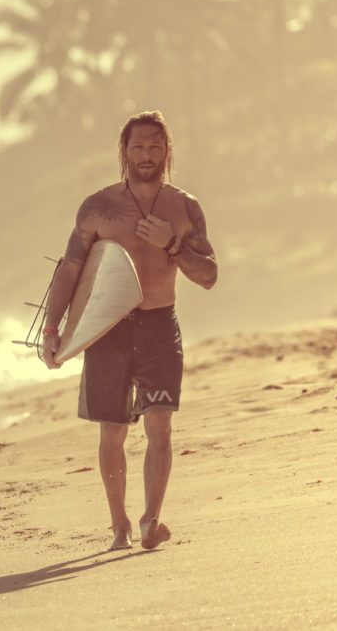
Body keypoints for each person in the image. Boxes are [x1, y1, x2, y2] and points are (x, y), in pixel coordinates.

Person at [42, 111, 217, 551]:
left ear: (167, 151)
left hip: (160, 325)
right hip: (108, 329)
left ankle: (149, 520)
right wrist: (52, 327)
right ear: (124, 151)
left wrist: (171, 244)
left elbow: (209, 275)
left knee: (160, 425)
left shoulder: (184, 207)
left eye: (155, 147)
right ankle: (118, 523)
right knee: (112, 431)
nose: (146, 155)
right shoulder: (98, 208)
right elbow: (71, 270)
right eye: (138, 147)